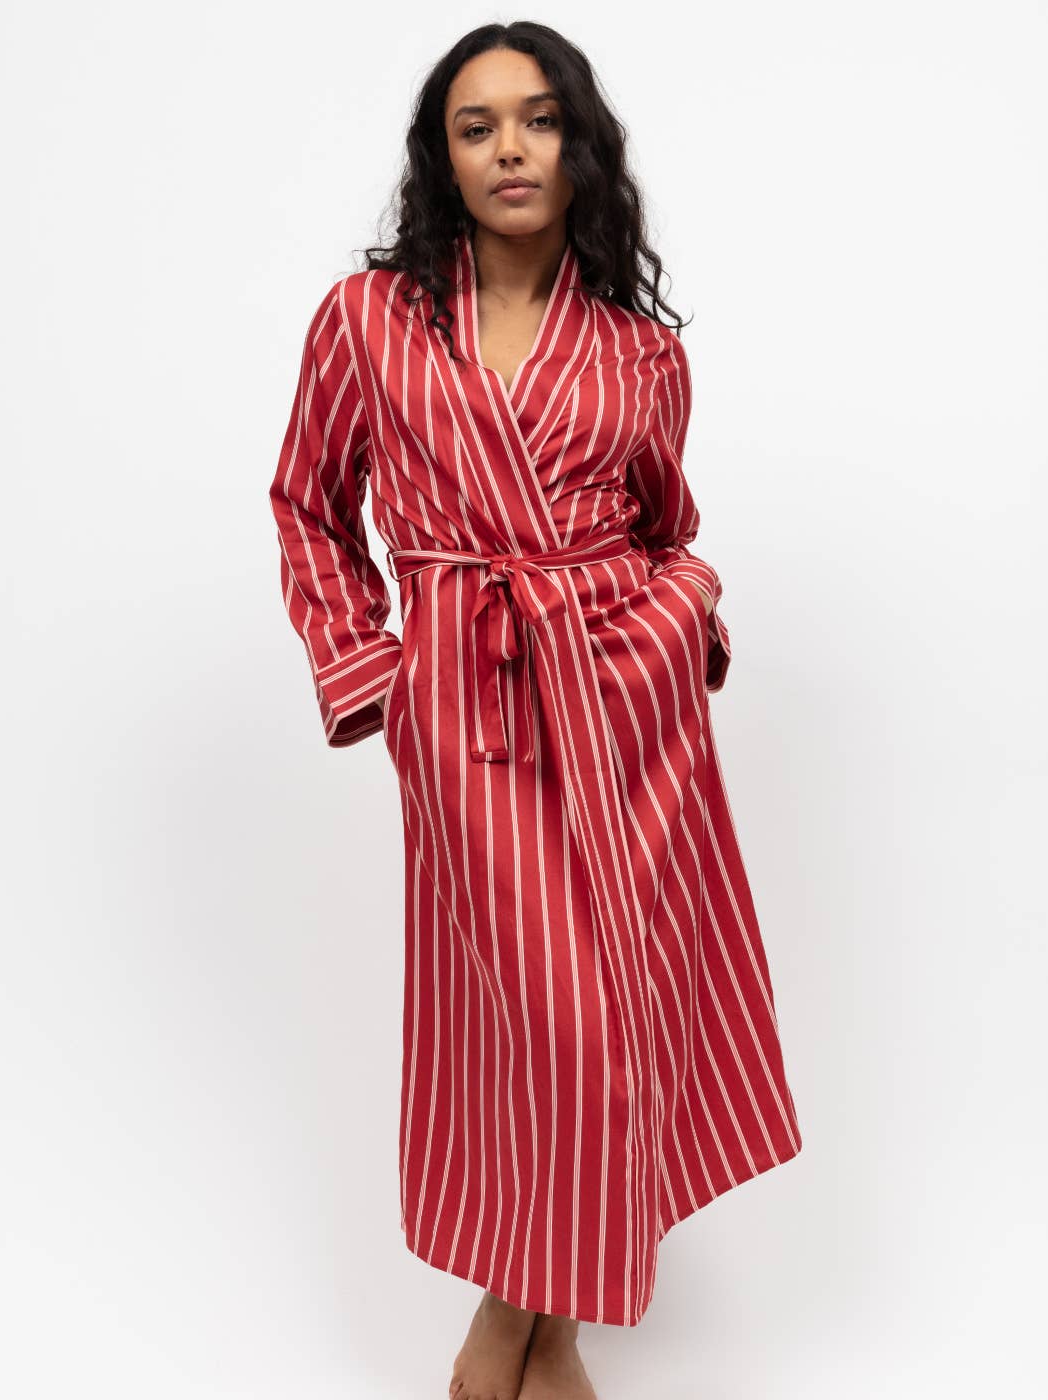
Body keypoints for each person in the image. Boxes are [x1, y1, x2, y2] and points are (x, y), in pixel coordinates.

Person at [268, 21, 802, 1400]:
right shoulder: (366, 322)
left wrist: (680, 624)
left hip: (626, 711)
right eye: (477, 125)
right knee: (536, 1015)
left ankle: (532, 1330)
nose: (511, 147)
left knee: (616, 1011)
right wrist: (377, 675)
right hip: (467, 708)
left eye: (540, 118)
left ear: (580, 148)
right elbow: (309, 506)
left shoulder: (637, 351)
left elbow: (665, 528)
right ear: (441, 159)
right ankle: (534, 1319)